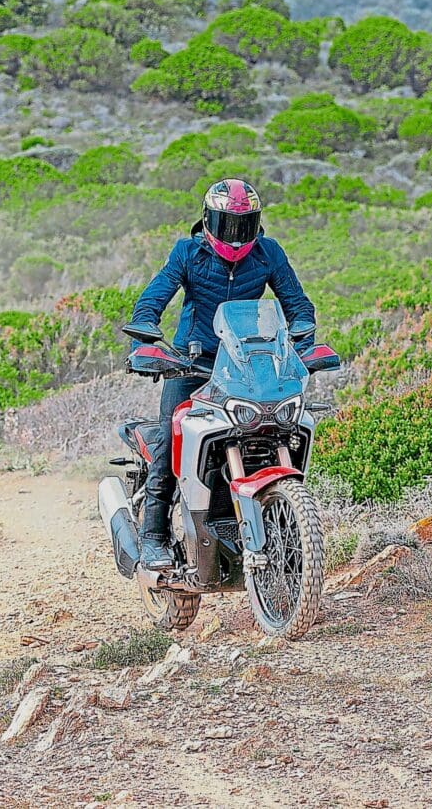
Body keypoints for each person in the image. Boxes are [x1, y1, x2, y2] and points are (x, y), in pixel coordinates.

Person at [129, 178, 316, 570]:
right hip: (191, 364)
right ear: (208, 220)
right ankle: (154, 538)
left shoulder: (269, 254)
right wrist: (145, 341)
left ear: (257, 224)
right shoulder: (188, 253)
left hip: (247, 363)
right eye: (227, 224)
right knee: (169, 439)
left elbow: (298, 305)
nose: (235, 236)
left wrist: (301, 341)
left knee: (274, 429)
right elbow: (152, 300)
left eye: (244, 225)